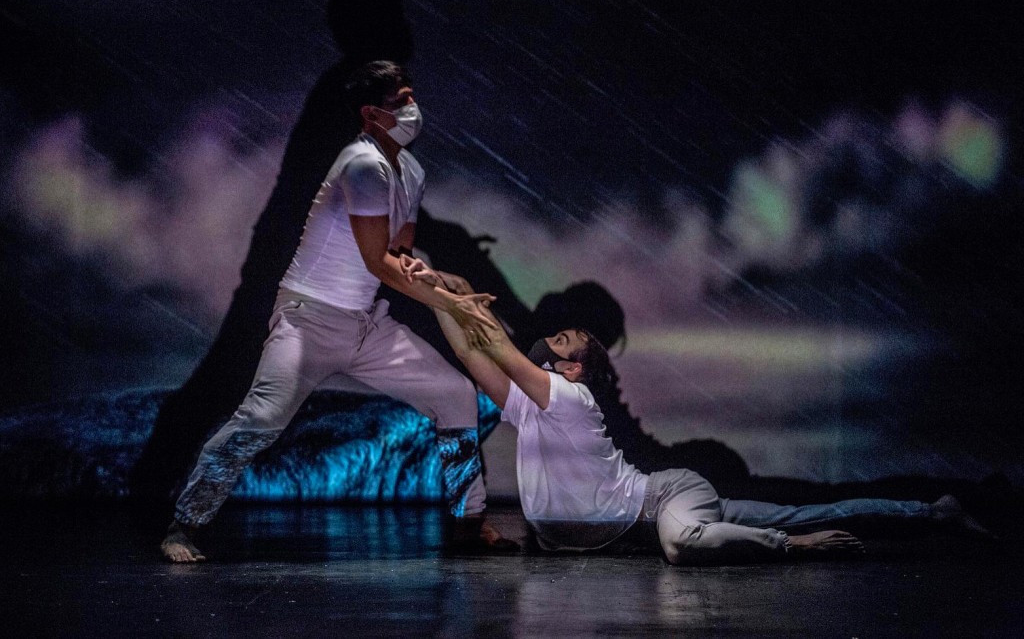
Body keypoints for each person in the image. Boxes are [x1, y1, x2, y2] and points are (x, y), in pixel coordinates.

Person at [403, 257, 989, 563]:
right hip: (648, 506)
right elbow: (471, 350)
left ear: (574, 370)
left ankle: (807, 543)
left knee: (702, 539)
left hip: (664, 499)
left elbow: (495, 342)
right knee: (800, 507)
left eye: (563, 340)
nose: (551, 338)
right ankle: (934, 511)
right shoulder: (532, 406)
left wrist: (446, 289)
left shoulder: (570, 396)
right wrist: (437, 295)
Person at [161, 61, 514, 562]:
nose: (413, 108)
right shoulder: (361, 164)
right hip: (308, 319)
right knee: (260, 418)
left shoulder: (411, 173)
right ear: (371, 115)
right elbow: (377, 261)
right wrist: (453, 304)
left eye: (412, 96)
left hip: (366, 325)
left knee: (455, 393)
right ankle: (184, 525)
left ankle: (468, 523)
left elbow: (398, 257)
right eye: (401, 101)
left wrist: (439, 281)